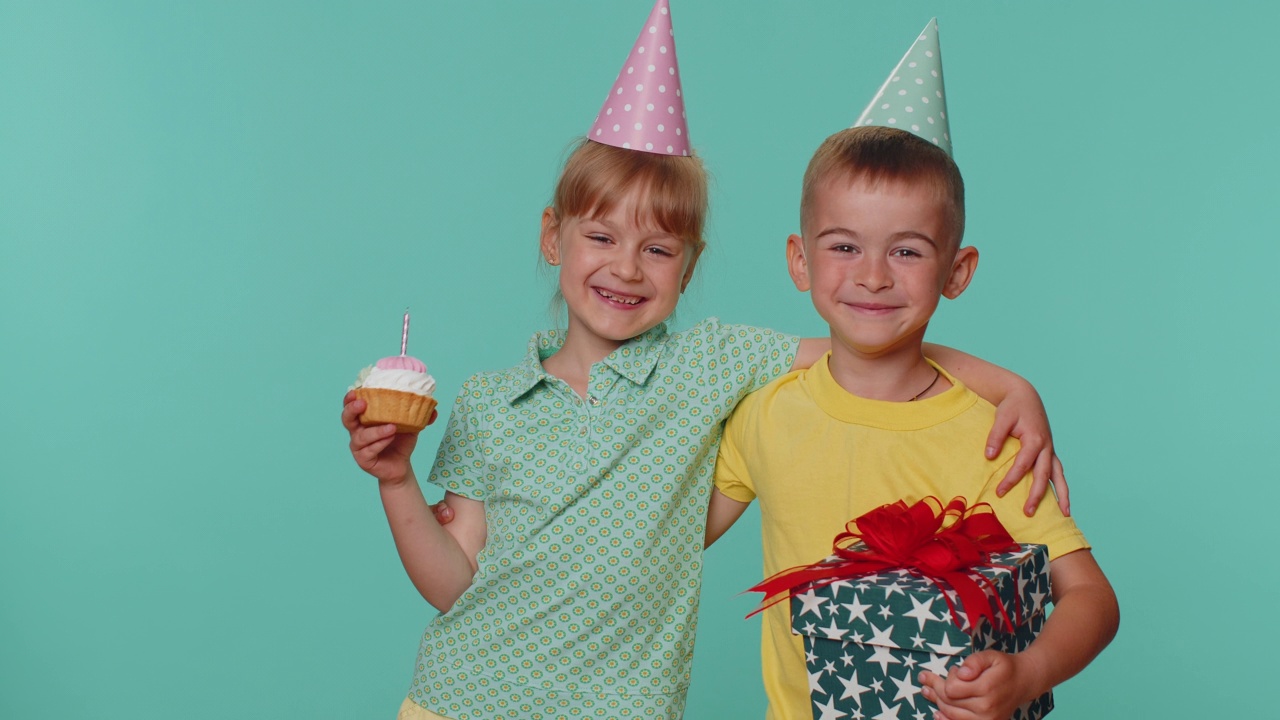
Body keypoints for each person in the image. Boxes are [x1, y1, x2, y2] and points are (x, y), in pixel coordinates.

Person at [342, 4, 1066, 719]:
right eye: (601, 237)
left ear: (688, 269)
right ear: (553, 238)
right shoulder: (488, 402)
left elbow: (870, 344)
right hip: (458, 699)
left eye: (657, 249)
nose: (626, 268)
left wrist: (1013, 387)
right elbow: (452, 585)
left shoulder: (714, 362)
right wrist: (397, 479)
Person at [706, 124, 1120, 720]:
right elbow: (670, 536)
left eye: (906, 250)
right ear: (800, 260)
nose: (873, 275)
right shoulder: (765, 414)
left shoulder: (991, 437)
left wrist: (1028, 674)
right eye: (844, 246)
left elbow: (1090, 597)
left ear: (956, 271)